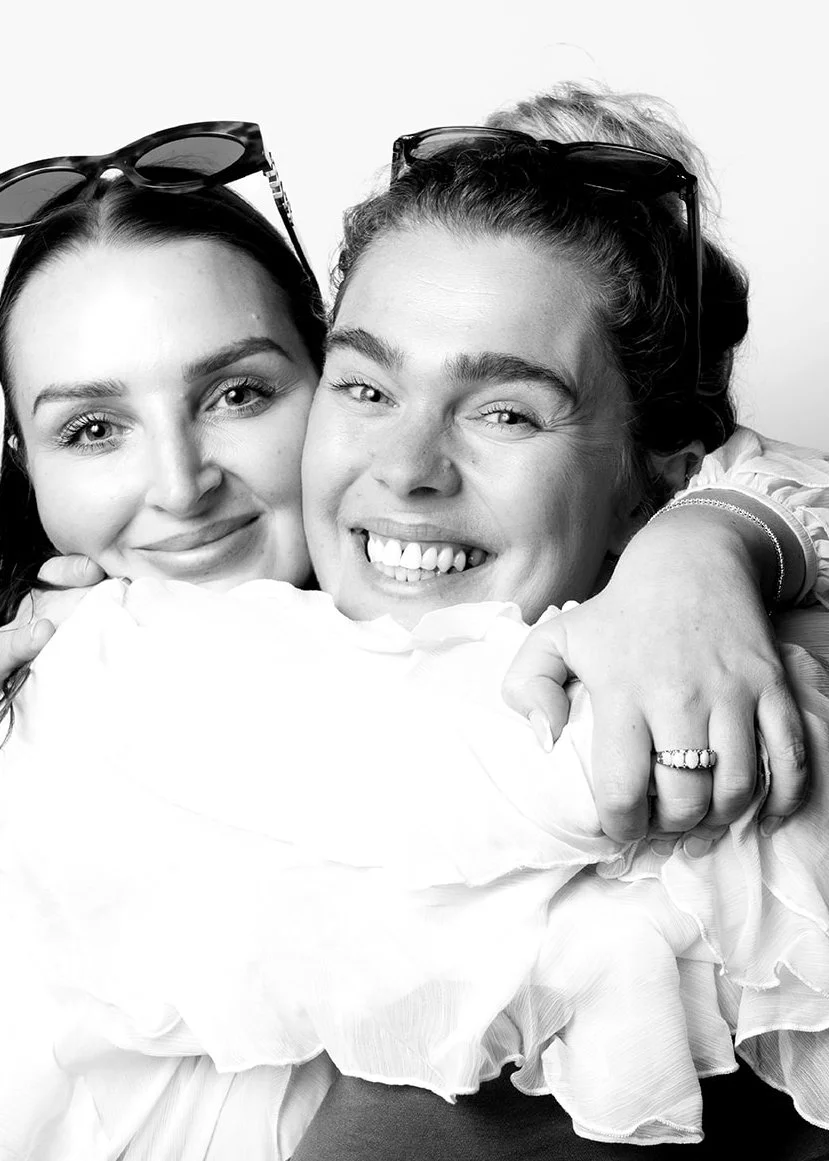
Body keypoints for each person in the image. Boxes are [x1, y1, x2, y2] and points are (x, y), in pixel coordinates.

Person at [0, 93, 827, 1158]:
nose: (180, 487)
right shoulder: (98, 676)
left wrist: (713, 539)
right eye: (94, 428)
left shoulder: (667, 666)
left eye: (239, 395)